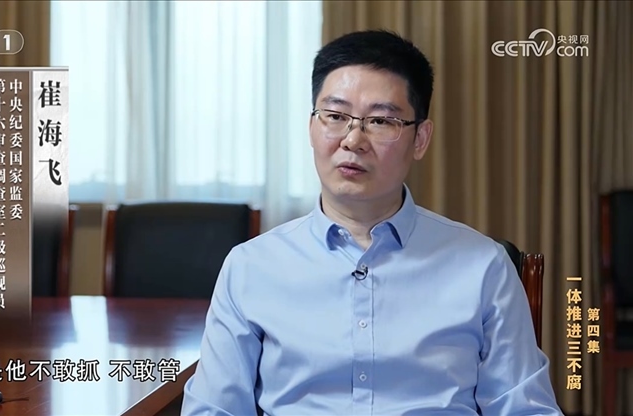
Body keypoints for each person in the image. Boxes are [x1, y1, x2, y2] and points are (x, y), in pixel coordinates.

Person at [181, 30, 562, 415]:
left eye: (380, 121)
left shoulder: (483, 266)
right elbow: (214, 408)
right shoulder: (250, 267)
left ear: (420, 139)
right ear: (311, 127)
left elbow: (525, 408)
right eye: (335, 116)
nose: (353, 140)